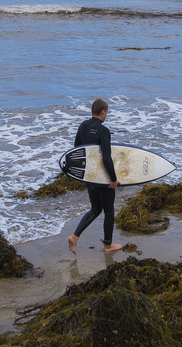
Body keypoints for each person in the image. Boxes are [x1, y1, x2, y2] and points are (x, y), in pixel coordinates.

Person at [68, 99, 123, 254]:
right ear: (103, 112)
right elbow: (107, 158)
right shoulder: (104, 131)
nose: (106, 116)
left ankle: (75, 236)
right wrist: (113, 179)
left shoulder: (83, 126)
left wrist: (80, 175)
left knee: (96, 208)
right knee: (109, 212)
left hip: (89, 177)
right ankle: (108, 245)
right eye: (107, 113)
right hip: (102, 179)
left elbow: (76, 151)